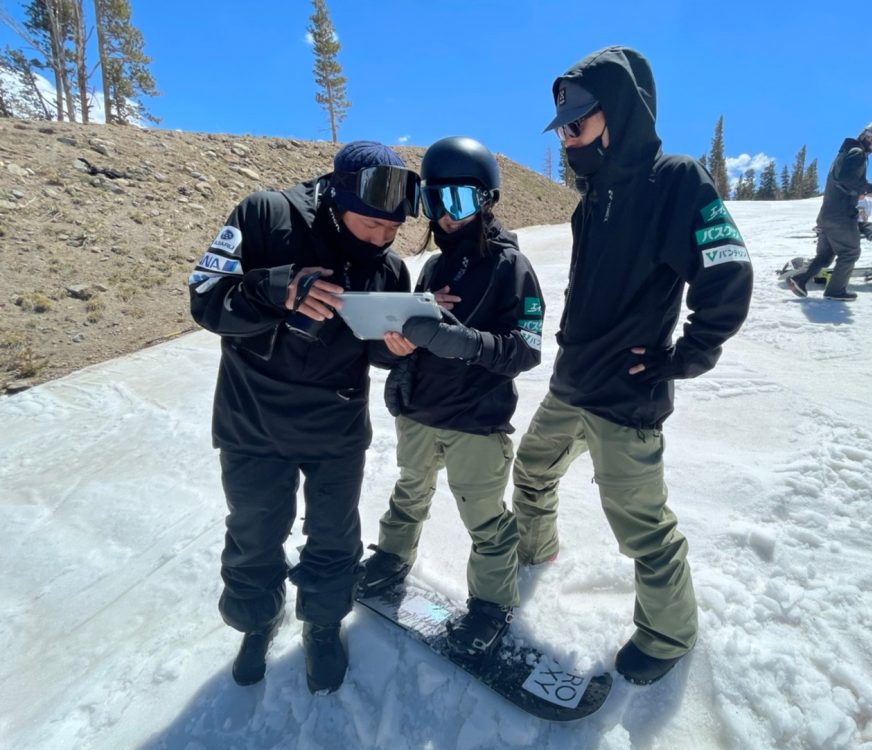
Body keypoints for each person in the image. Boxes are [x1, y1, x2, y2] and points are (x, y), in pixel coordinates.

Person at [512, 46, 753, 685]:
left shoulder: (672, 181)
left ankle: (670, 634)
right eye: (561, 127)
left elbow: (726, 269)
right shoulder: (590, 203)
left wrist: (687, 354)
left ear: (616, 113)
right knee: (532, 468)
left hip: (627, 395)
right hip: (572, 383)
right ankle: (535, 551)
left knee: (641, 527)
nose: (567, 138)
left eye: (577, 123)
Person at [188, 141, 419, 694]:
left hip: (335, 429)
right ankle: (256, 620)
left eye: (392, 231)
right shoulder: (265, 214)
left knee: (335, 536)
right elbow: (204, 297)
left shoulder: (389, 269)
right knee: (254, 532)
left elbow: (377, 352)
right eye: (370, 226)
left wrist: (401, 345)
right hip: (253, 422)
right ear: (338, 199)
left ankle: (321, 623)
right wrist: (277, 288)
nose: (381, 240)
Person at [358, 137, 545, 662]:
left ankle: (491, 606)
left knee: (486, 521)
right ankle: (392, 559)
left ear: (486, 200)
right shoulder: (433, 268)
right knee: (408, 495)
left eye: (457, 202)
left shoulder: (513, 268)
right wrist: (395, 344)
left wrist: (457, 339)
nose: (443, 217)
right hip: (420, 413)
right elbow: (409, 338)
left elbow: (526, 350)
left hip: (476, 422)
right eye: (432, 202)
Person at [788, 122, 872, 300]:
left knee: (825, 256)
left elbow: (841, 180)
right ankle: (835, 291)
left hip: (827, 215)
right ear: (870, 137)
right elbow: (845, 178)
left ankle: (799, 279)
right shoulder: (857, 153)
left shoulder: (845, 153)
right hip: (840, 215)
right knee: (850, 252)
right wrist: (865, 186)